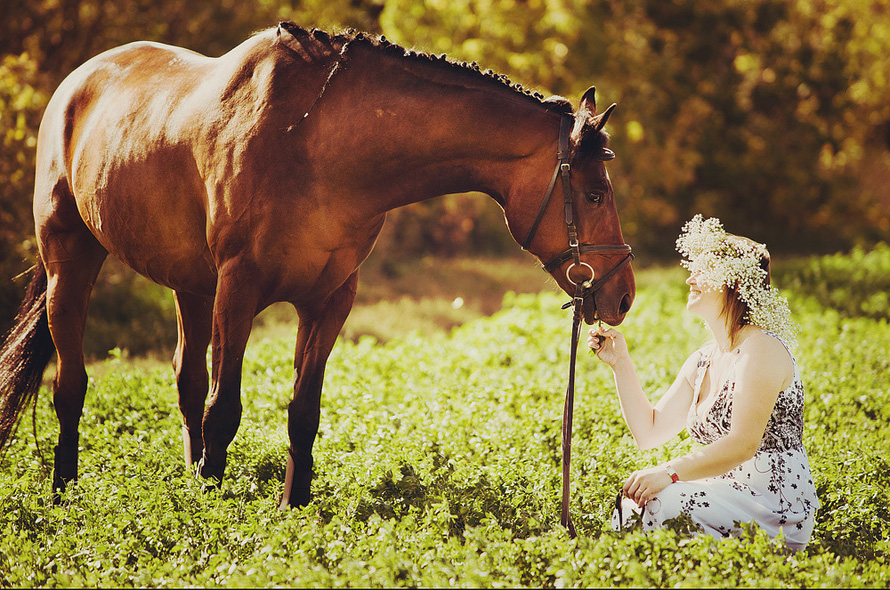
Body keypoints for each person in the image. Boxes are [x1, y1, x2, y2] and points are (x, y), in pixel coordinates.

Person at [588, 215, 819, 551]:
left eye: (704, 269)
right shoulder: (701, 361)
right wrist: (620, 363)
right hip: (724, 493)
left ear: (735, 284)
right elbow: (649, 431)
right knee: (632, 506)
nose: (690, 278)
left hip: (773, 507)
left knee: (659, 502)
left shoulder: (761, 348)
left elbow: (743, 444)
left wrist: (668, 472)